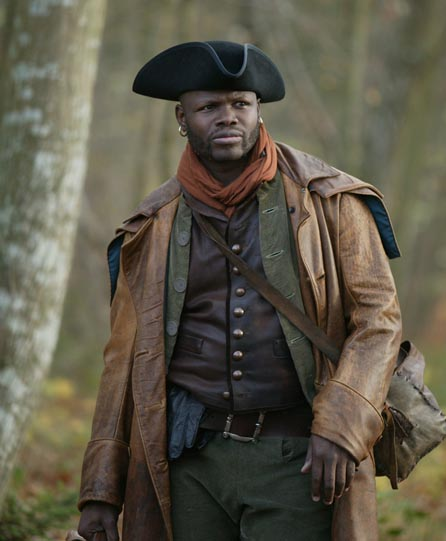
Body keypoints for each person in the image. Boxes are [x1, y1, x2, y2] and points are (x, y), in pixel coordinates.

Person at [77, 41, 402, 541]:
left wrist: (344, 424)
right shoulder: (150, 227)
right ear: (182, 118)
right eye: (209, 106)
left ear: (258, 110)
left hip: (300, 459)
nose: (228, 116)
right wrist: (100, 490)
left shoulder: (332, 202)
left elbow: (378, 322)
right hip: (188, 465)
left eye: (240, 104)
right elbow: (123, 363)